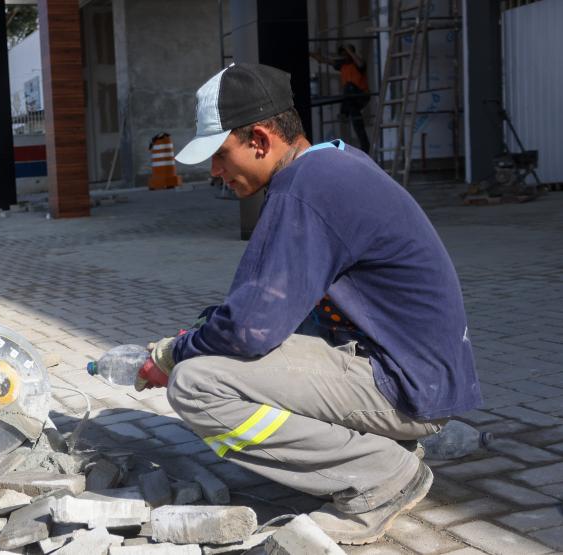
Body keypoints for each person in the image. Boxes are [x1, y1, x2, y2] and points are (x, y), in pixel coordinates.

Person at [137, 63, 480, 545]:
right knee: (213, 347)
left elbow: (248, 331)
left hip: (403, 383)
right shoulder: (331, 166)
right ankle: (384, 448)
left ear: (259, 139)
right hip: (415, 371)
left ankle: (381, 478)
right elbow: (271, 303)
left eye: (220, 154)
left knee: (198, 384)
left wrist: (173, 355)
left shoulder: (304, 190)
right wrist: (203, 330)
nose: (216, 172)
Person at [311, 44, 371, 152]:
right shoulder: (342, 65)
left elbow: (361, 64)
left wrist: (349, 51)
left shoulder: (358, 64)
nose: (344, 57)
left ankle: (344, 113)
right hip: (351, 100)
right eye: (342, 54)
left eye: (346, 54)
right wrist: (313, 55)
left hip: (361, 96)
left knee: (348, 87)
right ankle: (366, 147)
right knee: (357, 120)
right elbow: (324, 60)